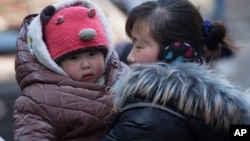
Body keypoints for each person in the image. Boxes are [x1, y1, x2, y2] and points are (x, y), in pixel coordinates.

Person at [101, 0, 250, 140]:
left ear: (177, 53)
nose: (130, 57)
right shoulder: (230, 113)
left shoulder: (145, 119)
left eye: (139, 47)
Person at [13, 0, 128, 140]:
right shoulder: (39, 100)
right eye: (74, 58)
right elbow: (32, 134)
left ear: (106, 54)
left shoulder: (123, 77)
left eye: (93, 54)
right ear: (54, 64)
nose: (85, 64)